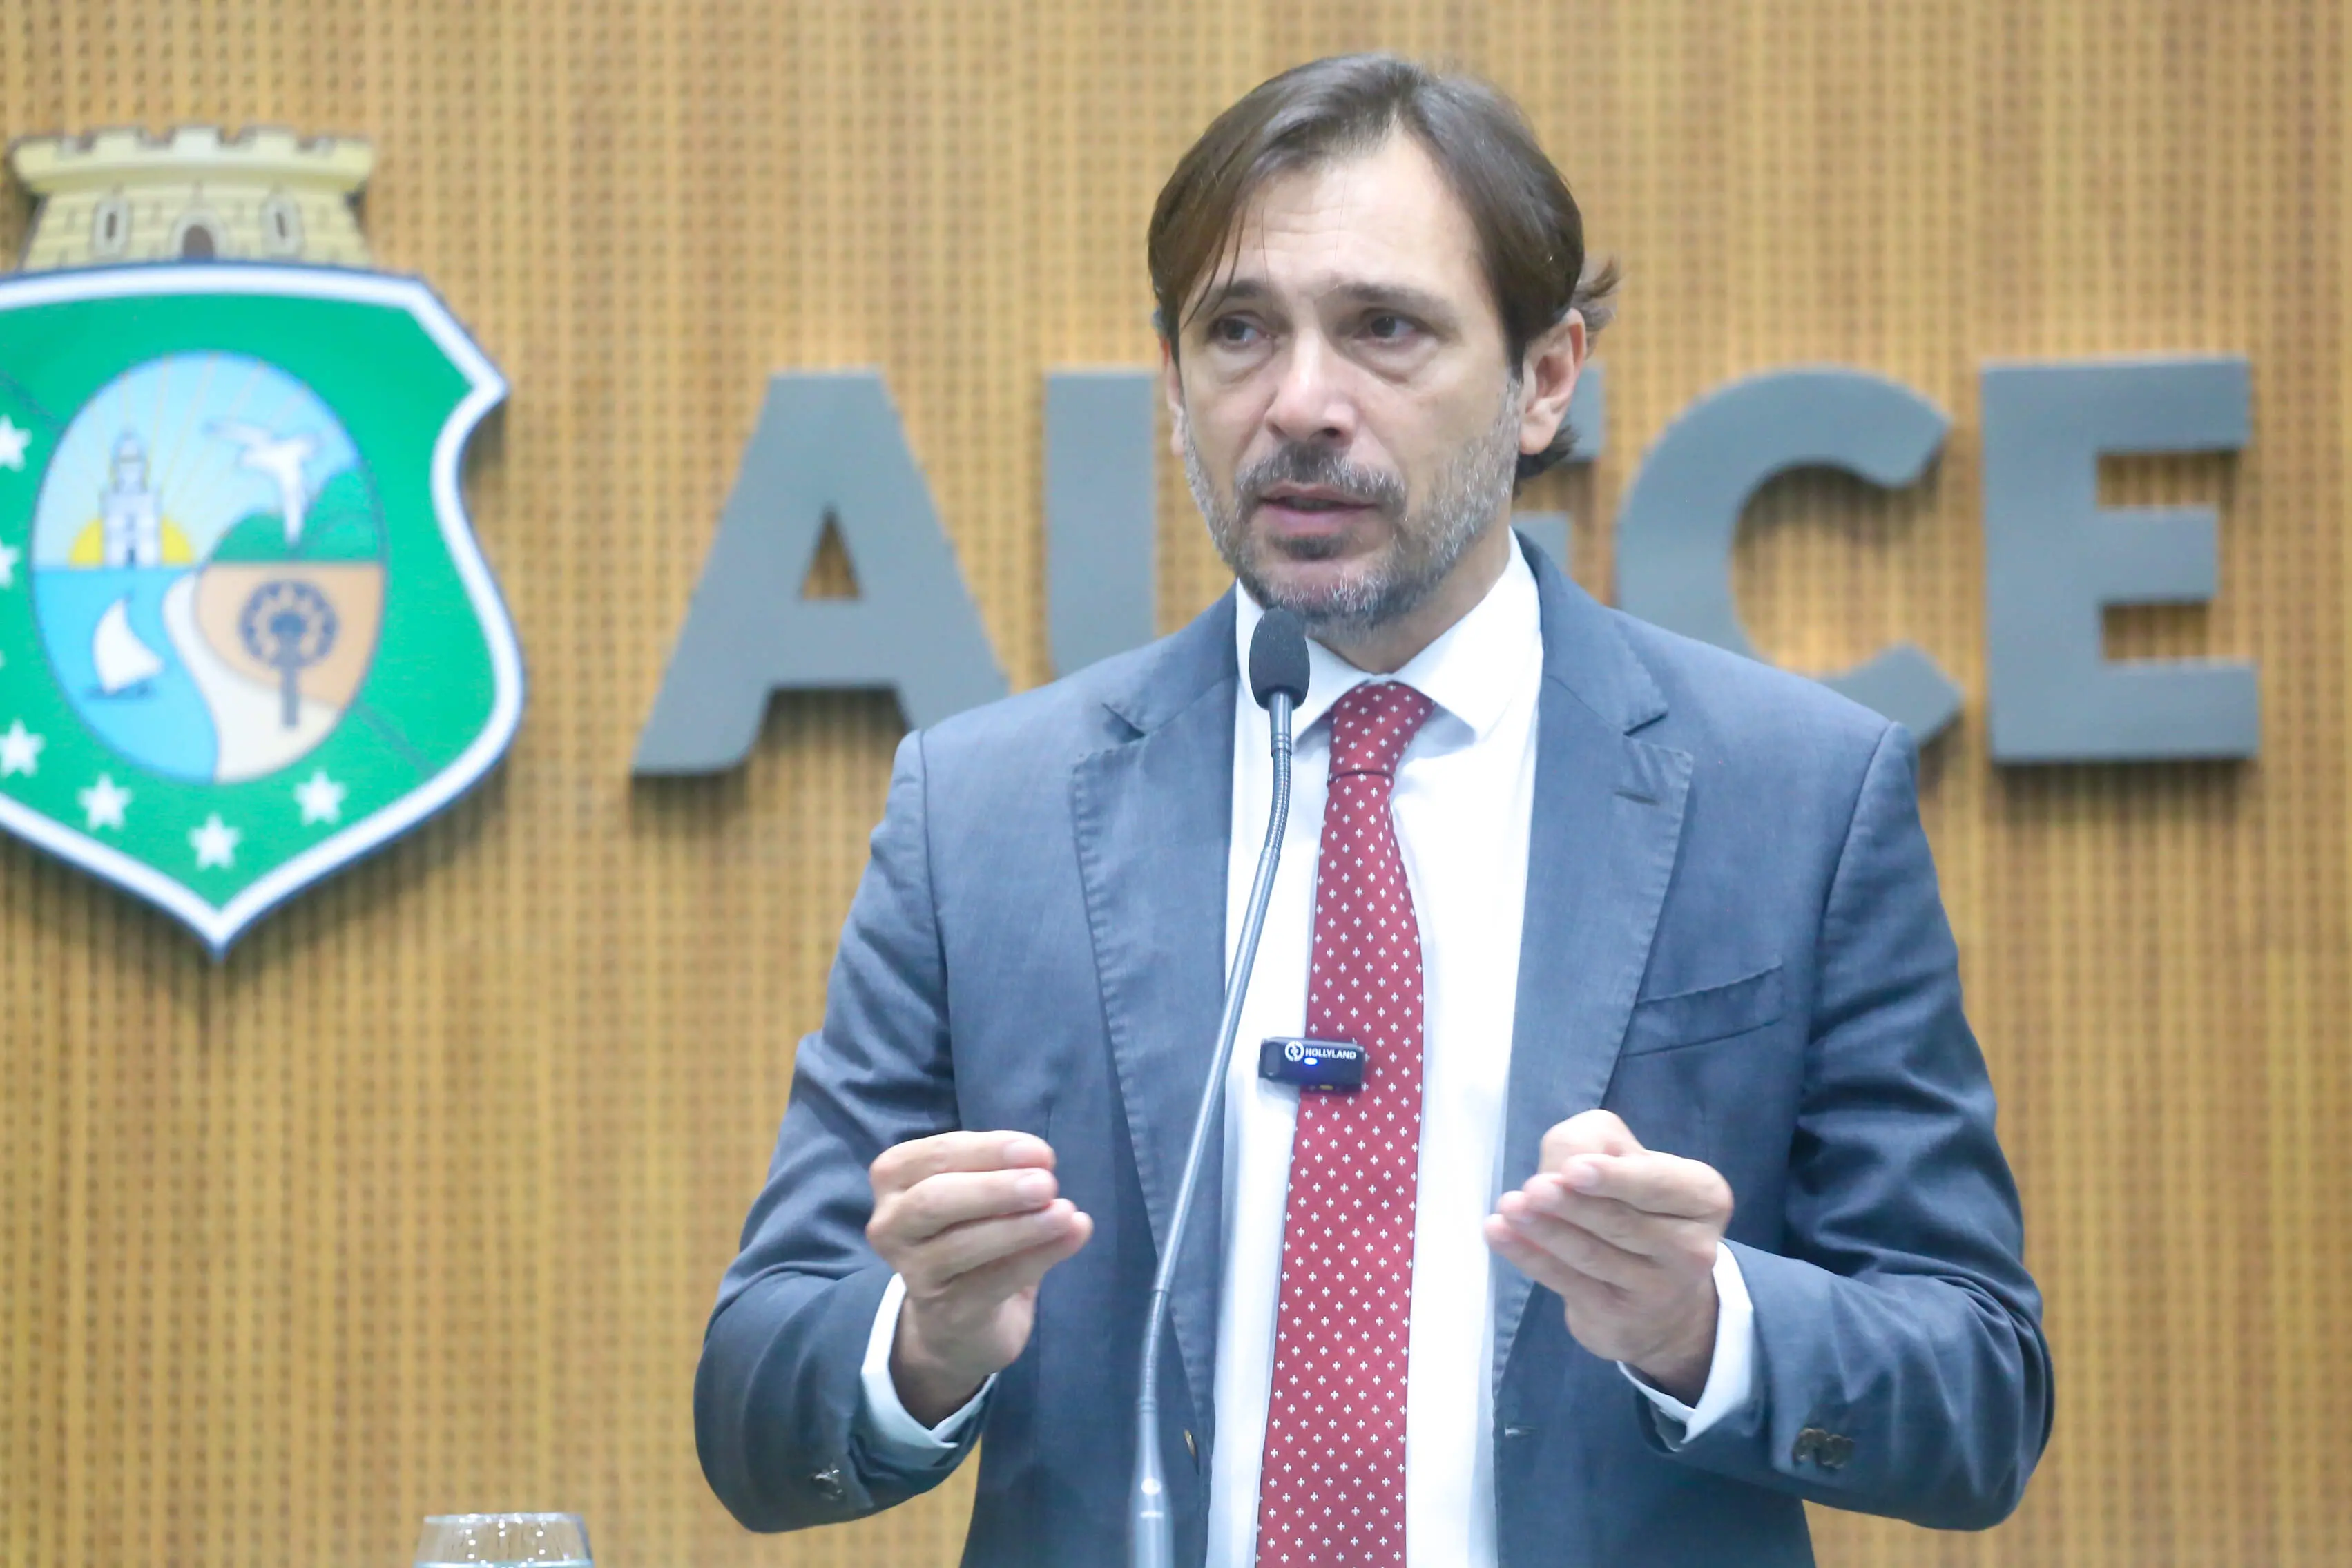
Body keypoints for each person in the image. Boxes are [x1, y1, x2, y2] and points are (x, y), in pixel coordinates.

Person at [694, 52, 2052, 1568]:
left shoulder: (1789, 792)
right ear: (1170, 383)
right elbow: (756, 1416)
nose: (1298, 405)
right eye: (1235, 333)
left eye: (1382, 328)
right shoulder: (983, 813)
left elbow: (1976, 1390)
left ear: (1544, 379)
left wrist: (1702, 1320)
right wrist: (918, 1341)